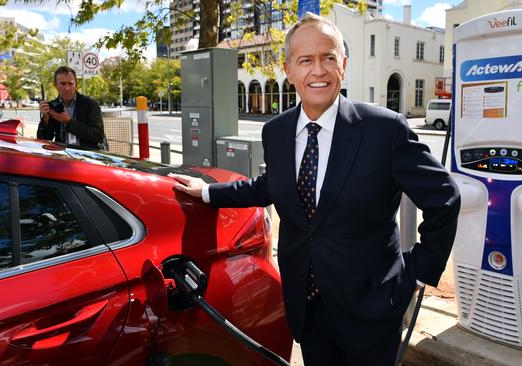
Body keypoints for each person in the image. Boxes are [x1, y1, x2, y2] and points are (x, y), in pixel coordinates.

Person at [169, 14, 460, 366]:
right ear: (289, 70)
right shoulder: (275, 132)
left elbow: (445, 198)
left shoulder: (384, 130)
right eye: (305, 60)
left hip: (371, 311)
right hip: (306, 309)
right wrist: (208, 193)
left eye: (328, 58)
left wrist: (416, 274)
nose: (318, 70)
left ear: (344, 65)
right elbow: (268, 187)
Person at [38, 66, 106, 150]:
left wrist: (69, 122)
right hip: (63, 157)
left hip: (86, 155)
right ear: (55, 84)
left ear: (76, 84)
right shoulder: (53, 106)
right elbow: (43, 140)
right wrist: (46, 119)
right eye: (62, 84)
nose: (67, 88)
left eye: (70, 83)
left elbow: (98, 136)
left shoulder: (90, 104)